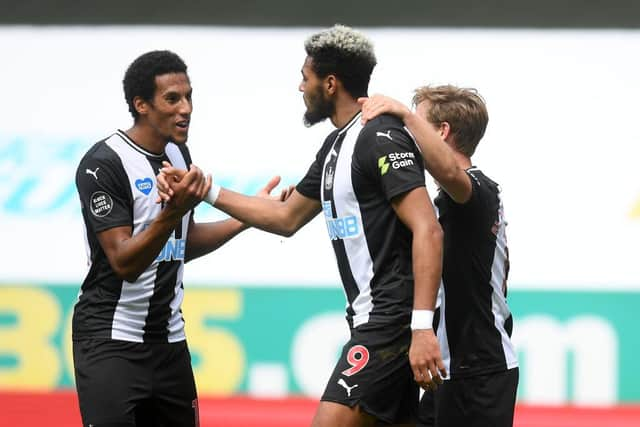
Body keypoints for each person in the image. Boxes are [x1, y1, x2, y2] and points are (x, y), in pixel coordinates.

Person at [158, 25, 446, 427]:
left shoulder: (380, 137)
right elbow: (285, 217)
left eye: (305, 78)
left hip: (392, 321)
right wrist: (204, 189)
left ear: (330, 84)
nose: (299, 87)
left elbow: (429, 229)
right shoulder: (334, 147)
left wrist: (421, 328)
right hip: (371, 319)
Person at [73, 50, 285, 427]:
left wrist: (247, 217)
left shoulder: (178, 154)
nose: (185, 108)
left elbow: (180, 243)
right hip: (110, 340)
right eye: (172, 99)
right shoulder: (103, 164)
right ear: (141, 105)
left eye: (189, 96)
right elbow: (125, 263)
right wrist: (171, 213)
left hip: (169, 342)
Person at [359, 85, 519, 427]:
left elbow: (448, 173)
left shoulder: (479, 190)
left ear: (442, 132)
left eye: (416, 122)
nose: (403, 134)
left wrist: (401, 112)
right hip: (446, 366)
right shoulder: (449, 200)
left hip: (478, 369)